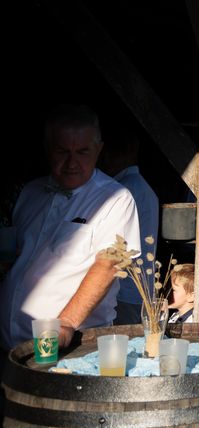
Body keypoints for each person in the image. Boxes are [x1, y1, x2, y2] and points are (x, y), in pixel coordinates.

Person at [0, 104, 141, 351]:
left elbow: (109, 264)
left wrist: (64, 325)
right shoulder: (31, 192)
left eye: (83, 152)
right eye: (62, 151)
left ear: (99, 150)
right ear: (47, 150)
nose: (72, 163)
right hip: (9, 344)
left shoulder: (116, 198)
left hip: (67, 347)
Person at [99, 124, 159, 325]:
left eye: (107, 154)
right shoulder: (141, 187)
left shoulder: (122, 190)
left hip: (125, 289)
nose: (103, 160)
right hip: (137, 286)